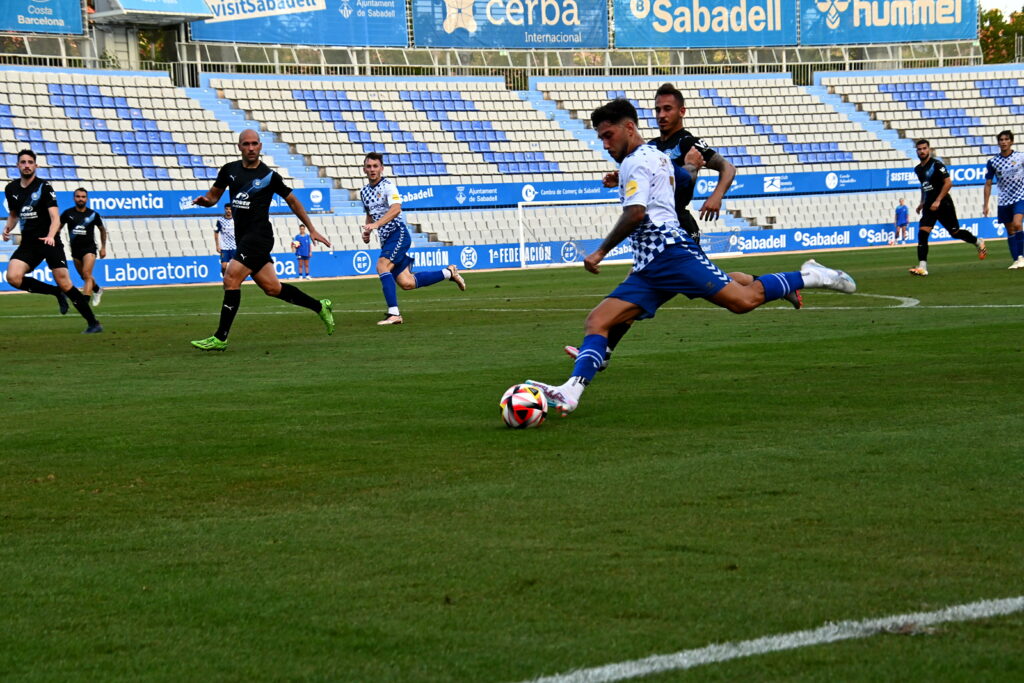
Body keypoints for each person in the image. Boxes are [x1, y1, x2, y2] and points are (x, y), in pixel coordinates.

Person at [526, 99, 856, 416]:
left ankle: (813, 275)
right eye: (600, 138)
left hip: (671, 254)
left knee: (742, 301)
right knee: (598, 321)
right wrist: (673, 170)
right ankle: (571, 390)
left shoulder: (638, 161)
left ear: (629, 128)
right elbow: (680, 178)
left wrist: (600, 251)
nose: (605, 144)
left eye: (608, 135)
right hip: (649, 267)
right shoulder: (654, 156)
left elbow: (636, 213)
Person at [566, 83, 797, 371]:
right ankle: (772, 284)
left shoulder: (689, 142)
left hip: (675, 230)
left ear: (681, 111)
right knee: (708, 282)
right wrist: (620, 177)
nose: (661, 115)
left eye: (667, 109)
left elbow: (727, 168)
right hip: (657, 232)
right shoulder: (651, 146)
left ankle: (605, 348)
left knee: (655, 284)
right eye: (658, 109)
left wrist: (715, 196)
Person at [190, 129, 335, 351]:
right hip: (243, 238)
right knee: (272, 288)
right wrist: (205, 202)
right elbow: (214, 197)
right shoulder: (229, 170)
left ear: (260, 146)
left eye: (254, 144)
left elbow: (293, 201)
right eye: (246, 144)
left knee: (230, 278)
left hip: (259, 238)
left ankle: (220, 337)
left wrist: (311, 228)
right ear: (239, 146)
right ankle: (320, 306)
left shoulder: (269, 176)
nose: (250, 148)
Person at [360, 152, 466, 325]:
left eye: (375, 166)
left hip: (398, 233)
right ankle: (449, 272)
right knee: (406, 282)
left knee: (381, 265)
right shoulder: (364, 192)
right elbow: (370, 214)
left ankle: (394, 314)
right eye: (369, 166)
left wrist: (376, 225)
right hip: (386, 239)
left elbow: (396, 209)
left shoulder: (388, 186)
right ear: (364, 169)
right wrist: (368, 230)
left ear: (381, 168)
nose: (372, 169)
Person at [3, 150, 102, 333]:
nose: (26, 165)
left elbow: (55, 217)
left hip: (50, 241)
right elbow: (14, 214)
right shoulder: (11, 189)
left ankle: (93, 323)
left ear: (35, 166)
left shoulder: (44, 187)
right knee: (13, 277)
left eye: (30, 162)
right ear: (17, 165)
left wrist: (50, 236)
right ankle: (55, 292)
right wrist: (8, 227)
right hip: (29, 243)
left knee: (65, 282)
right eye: (23, 162)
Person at [909, 139, 986, 276]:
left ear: (929, 149)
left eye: (924, 148)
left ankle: (977, 241)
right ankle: (922, 267)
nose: (922, 151)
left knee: (955, 232)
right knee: (922, 233)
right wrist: (922, 202)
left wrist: (938, 200)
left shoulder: (937, 165)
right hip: (929, 205)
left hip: (944, 204)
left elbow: (948, 183)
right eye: (919, 149)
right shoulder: (918, 169)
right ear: (917, 151)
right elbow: (924, 186)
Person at [982, 130, 1024, 270]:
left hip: (1020, 196)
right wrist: (986, 204)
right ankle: (1016, 260)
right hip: (1004, 200)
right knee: (1010, 231)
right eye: (1001, 139)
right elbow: (988, 183)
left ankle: (1022, 257)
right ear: (998, 142)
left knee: (1018, 224)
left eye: (1006, 139)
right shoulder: (993, 162)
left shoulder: (1020, 157)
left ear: (1011, 141)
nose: (1004, 142)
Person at [60, 187, 108, 307]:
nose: (80, 199)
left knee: (87, 273)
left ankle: (84, 301)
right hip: (75, 250)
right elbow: (57, 229)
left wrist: (103, 247)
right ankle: (97, 290)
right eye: (78, 196)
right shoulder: (67, 213)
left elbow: (102, 230)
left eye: (83, 197)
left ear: (86, 199)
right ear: (74, 198)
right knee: (84, 276)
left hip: (89, 249)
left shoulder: (92, 214)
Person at [213, 204, 235, 276]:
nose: (228, 210)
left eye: (230, 209)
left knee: (234, 267)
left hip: (234, 246)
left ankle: (233, 281)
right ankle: (225, 278)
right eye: (227, 209)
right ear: (225, 209)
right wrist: (217, 246)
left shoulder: (236, 219)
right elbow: (216, 232)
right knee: (224, 266)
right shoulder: (220, 220)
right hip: (224, 247)